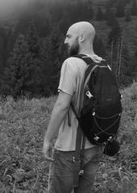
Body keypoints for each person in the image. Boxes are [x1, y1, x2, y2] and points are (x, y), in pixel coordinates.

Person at [42, 21, 104, 193]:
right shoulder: (104, 64)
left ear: (81, 37)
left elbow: (62, 105)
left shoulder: (72, 63)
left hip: (70, 148)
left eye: (69, 36)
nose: (65, 42)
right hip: (95, 145)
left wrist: (48, 139)